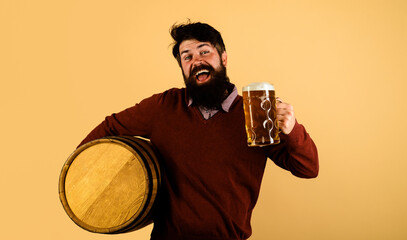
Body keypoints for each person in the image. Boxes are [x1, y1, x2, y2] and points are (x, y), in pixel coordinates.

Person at [78, 21, 319, 240]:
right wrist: (80, 173)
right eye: (187, 57)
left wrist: (292, 130)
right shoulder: (164, 106)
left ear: (223, 58)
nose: (197, 61)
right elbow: (111, 127)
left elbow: (308, 169)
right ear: (182, 67)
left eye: (205, 51)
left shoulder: (255, 113)